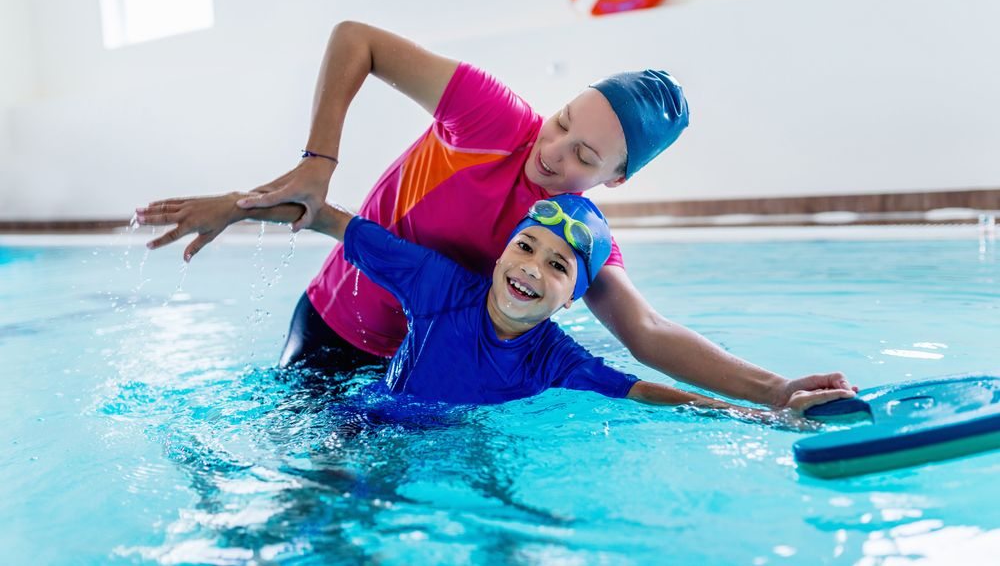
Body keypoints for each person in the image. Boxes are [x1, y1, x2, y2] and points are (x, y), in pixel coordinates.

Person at [138, 20, 858, 409]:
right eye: (562, 121)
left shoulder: (573, 236)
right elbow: (355, 38)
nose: (553, 152)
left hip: (413, 371)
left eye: (584, 155)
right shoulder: (489, 115)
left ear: (616, 178)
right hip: (331, 328)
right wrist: (311, 165)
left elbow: (648, 332)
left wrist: (774, 388)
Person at [137, 190, 853, 420]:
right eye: (526, 248)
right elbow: (333, 221)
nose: (532, 269)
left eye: (558, 265)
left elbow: (652, 394)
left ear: (574, 297)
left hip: (447, 437)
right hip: (366, 419)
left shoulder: (556, 356)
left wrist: (767, 411)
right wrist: (233, 208)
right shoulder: (442, 287)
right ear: (502, 252)